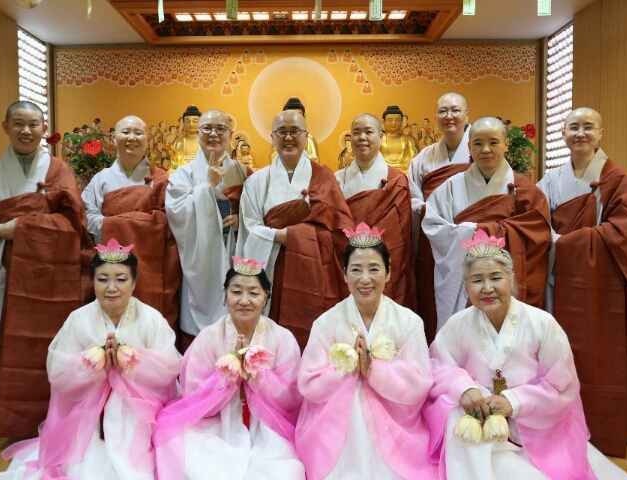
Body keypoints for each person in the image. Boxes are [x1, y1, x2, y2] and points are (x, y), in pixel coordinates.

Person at [425, 230, 627, 479]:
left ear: (511, 279)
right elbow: (438, 367)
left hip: (534, 424)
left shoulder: (542, 324)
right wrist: (464, 389)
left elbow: (562, 385)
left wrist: (514, 402)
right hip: (479, 421)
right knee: (453, 415)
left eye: (496, 277)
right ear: (466, 285)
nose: (487, 288)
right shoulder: (457, 325)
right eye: (477, 280)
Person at [0, 241, 181, 479]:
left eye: (121, 279)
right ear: (92, 281)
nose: (111, 287)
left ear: (134, 282)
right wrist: (95, 367)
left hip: (139, 410)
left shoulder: (152, 319)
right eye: (102, 279)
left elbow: (168, 368)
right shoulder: (78, 320)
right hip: (88, 411)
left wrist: (129, 366)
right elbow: (59, 372)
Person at [0, 100, 92, 438]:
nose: (26, 131)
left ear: (44, 129)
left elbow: (75, 222)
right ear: (6, 127)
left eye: (34, 124)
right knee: (9, 342)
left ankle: (57, 414)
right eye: (18, 123)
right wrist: (0, 230)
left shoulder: (59, 171)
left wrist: (29, 228)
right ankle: (13, 419)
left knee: (53, 342)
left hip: (51, 273)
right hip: (6, 271)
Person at [536, 107, 627, 457]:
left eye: (588, 127)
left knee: (599, 353)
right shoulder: (551, 179)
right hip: (558, 278)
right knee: (558, 348)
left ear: (600, 133)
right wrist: (554, 242)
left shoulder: (617, 178)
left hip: (601, 286)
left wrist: (567, 242)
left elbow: (625, 229)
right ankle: (558, 420)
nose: (580, 133)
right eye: (573, 127)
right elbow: (535, 219)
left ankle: (599, 424)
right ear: (563, 134)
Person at [296, 223, 437, 479]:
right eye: (356, 269)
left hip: (394, 416)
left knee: (363, 402)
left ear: (388, 272)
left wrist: (373, 370)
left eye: (374, 269)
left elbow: (418, 383)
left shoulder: (409, 322)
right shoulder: (326, 323)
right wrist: (348, 371)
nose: (365, 279)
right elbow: (308, 383)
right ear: (344, 274)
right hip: (337, 416)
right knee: (355, 403)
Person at [153, 258, 305, 480]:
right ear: (225, 295)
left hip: (268, 425)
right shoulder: (209, 337)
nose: (244, 300)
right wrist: (228, 377)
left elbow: (292, 397)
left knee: (282, 470)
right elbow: (193, 393)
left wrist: (255, 375)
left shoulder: (282, 338)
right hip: (217, 420)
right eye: (236, 292)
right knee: (171, 436)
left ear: (266, 297)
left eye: (254, 293)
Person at [237, 110, 353, 349]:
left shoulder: (324, 177)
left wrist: (294, 237)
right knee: (275, 337)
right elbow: (249, 227)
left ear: (306, 136)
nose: (288, 137)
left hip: (315, 268)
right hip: (272, 266)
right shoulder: (256, 181)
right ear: (272, 137)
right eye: (282, 132)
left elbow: (339, 229)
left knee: (314, 337)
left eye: (295, 131)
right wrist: (280, 236)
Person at [422, 117, 550, 332]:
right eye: (478, 143)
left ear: (506, 144)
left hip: (504, 278)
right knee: (465, 335)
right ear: (469, 147)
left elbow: (537, 235)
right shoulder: (449, 188)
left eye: (493, 142)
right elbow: (434, 227)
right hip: (464, 279)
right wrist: (472, 232)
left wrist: (474, 232)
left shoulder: (526, 191)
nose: (486, 150)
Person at [82, 115, 181, 335]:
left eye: (138, 132)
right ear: (114, 138)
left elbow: (171, 222)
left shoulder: (162, 180)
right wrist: (133, 223)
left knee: (150, 326)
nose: (132, 138)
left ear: (147, 140)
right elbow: (86, 217)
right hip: (110, 263)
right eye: (125, 132)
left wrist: (115, 224)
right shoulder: (101, 179)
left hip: (152, 264)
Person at [166, 109, 248, 352]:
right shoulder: (183, 175)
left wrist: (240, 220)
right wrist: (207, 186)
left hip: (235, 254)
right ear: (198, 133)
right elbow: (177, 214)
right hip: (201, 259)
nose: (214, 134)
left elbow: (257, 214)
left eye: (221, 129)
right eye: (207, 128)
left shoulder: (243, 172)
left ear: (231, 134)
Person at [335, 114, 416, 310]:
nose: (362, 137)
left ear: (381, 137)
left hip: (383, 265)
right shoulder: (336, 180)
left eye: (368, 132)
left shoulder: (396, 181)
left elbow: (400, 237)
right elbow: (333, 229)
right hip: (347, 264)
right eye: (356, 133)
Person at [408, 92, 472, 342]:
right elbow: (412, 196)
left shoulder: (480, 151)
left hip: (469, 237)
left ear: (467, 115)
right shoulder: (423, 158)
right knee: (432, 296)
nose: (449, 116)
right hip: (433, 237)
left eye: (455, 110)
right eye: (443, 111)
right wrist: (433, 214)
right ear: (435, 117)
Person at [269, 97, 320, 163]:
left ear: (304, 117)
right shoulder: (278, 137)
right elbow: (273, 158)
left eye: (298, 117)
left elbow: (314, 161)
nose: (293, 120)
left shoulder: (308, 138)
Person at [380, 105, 416, 175]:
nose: (394, 123)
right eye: (390, 120)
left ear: (402, 122)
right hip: (384, 171)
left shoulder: (408, 139)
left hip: (403, 171)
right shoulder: (379, 139)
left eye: (397, 120)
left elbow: (411, 158)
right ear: (383, 121)